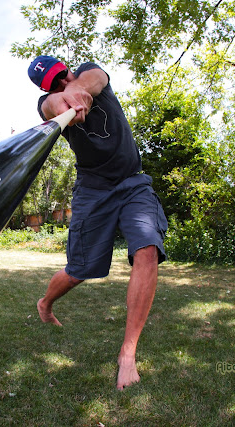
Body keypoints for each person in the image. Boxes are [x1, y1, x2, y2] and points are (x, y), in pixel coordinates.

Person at [27, 55, 168, 390]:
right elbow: (49, 107)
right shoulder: (47, 104)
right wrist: (62, 102)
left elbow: (95, 79)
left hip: (133, 182)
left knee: (147, 247)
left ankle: (127, 355)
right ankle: (45, 303)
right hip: (93, 189)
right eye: (53, 85)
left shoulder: (90, 74)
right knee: (80, 269)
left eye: (62, 75)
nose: (62, 84)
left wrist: (76, 90)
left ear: (67, 66)